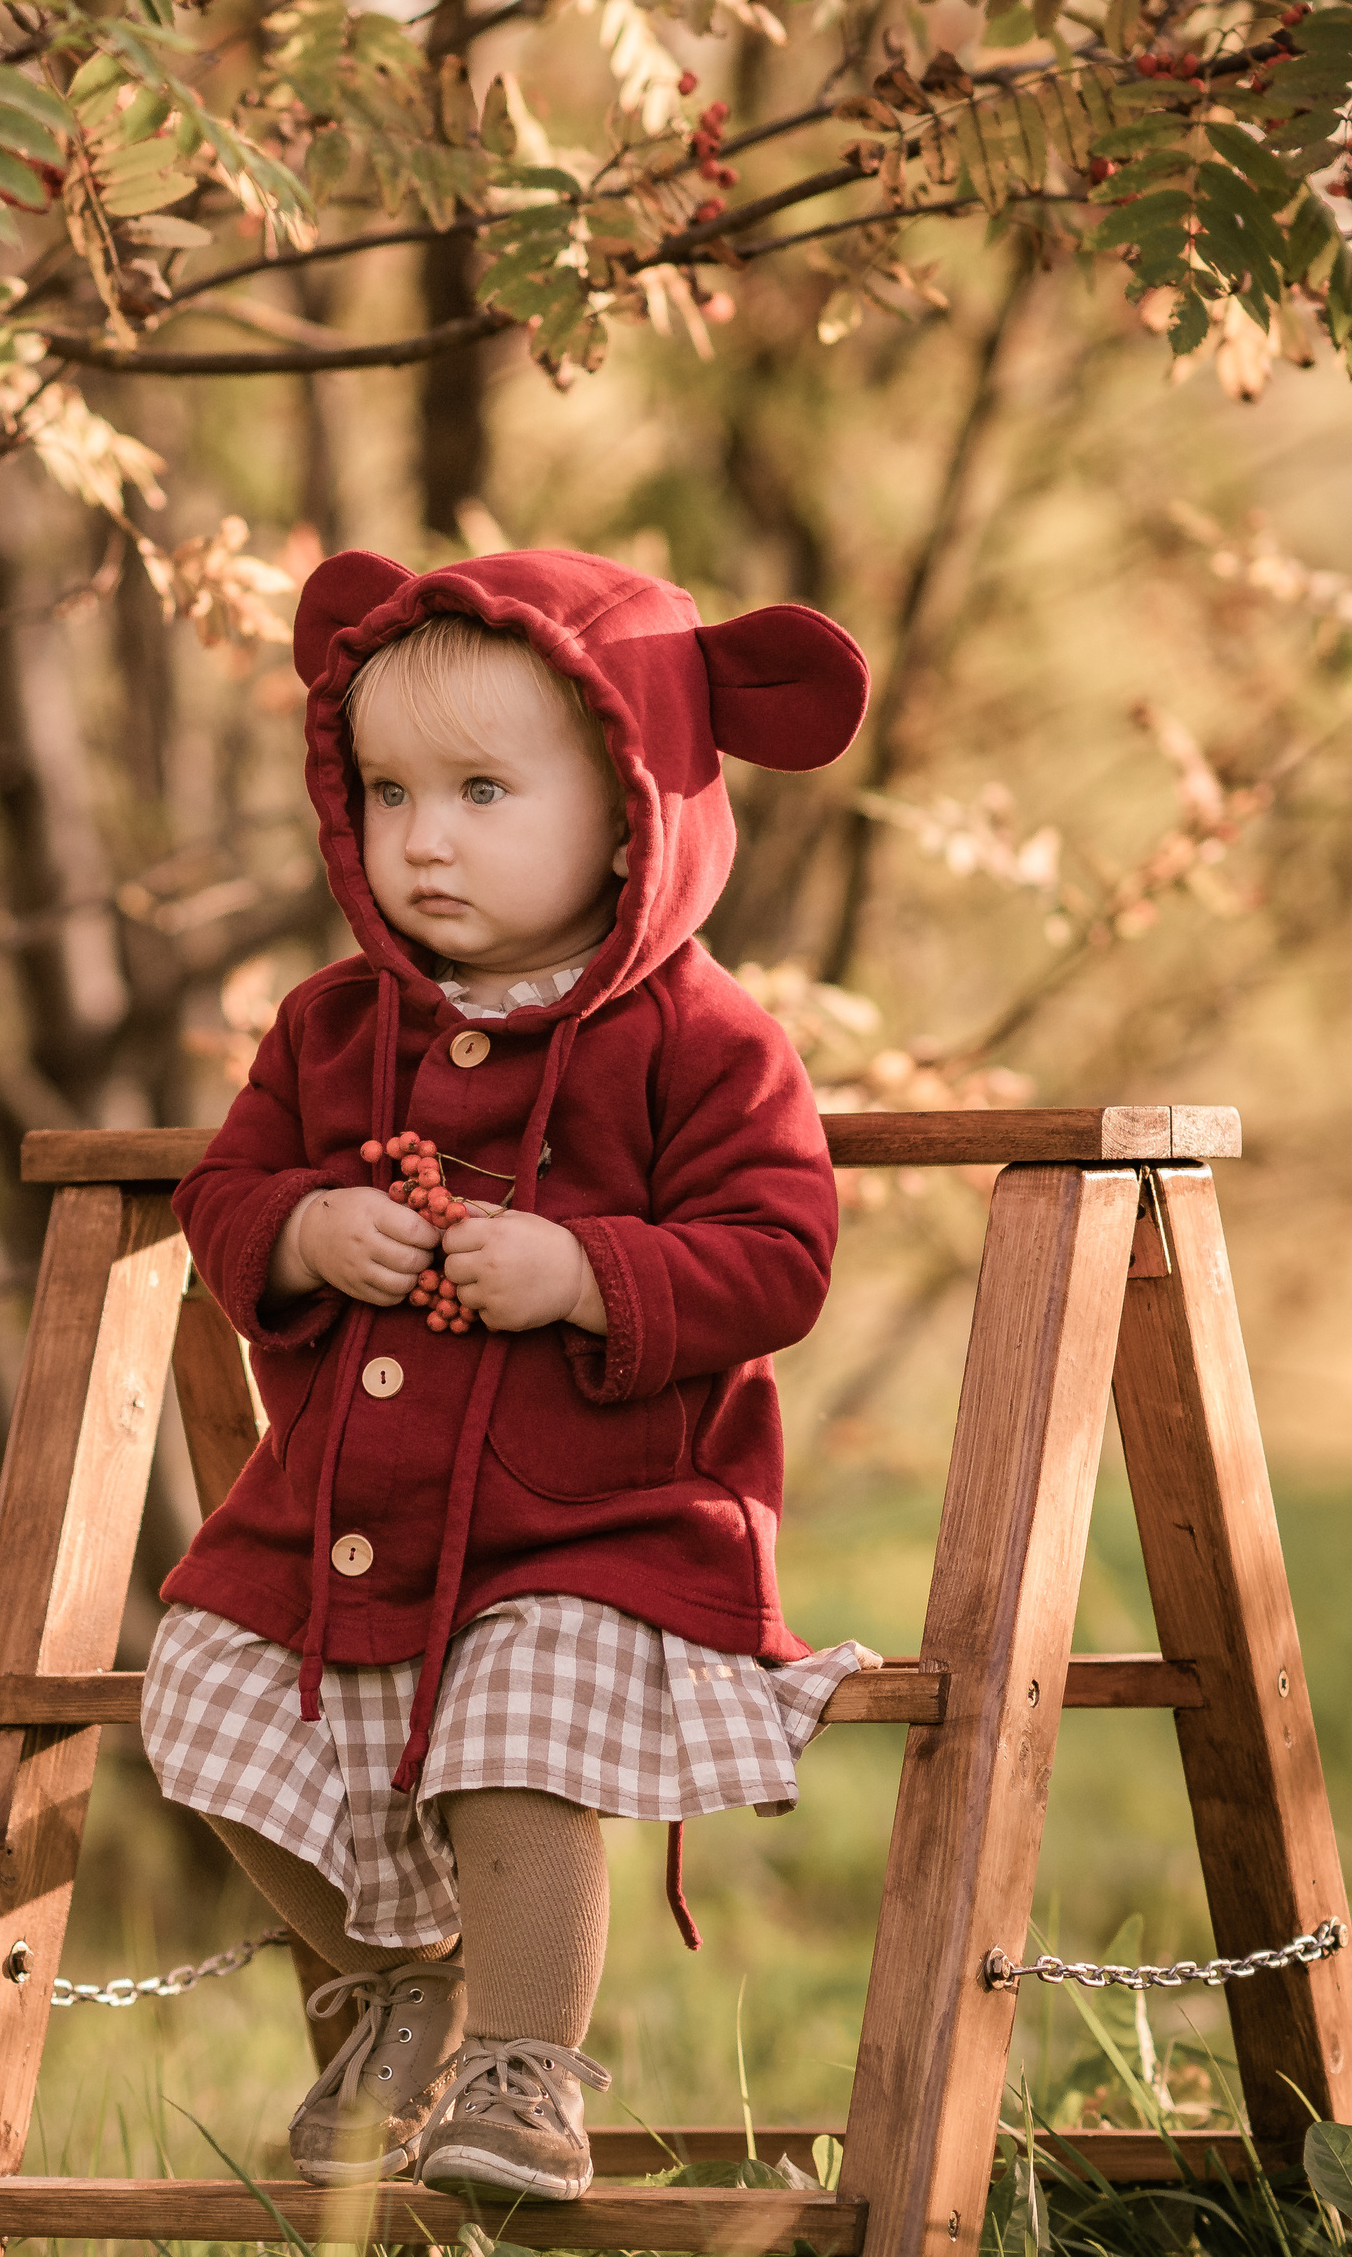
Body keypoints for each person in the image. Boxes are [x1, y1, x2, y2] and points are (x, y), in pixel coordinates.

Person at [143, 545, 880, 2202]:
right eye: (389, 792)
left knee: (518, 1724)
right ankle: (398, 1981)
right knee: (196, 1681)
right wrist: (303, 1229)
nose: (424, 838)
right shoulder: (333, 1028)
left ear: (632, 810)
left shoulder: (702, 1040)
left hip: (598, 1521)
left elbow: (780, 1251)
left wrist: (588, 1271)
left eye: (482, 791)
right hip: (343, 1519)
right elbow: (225, 1189)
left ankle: (523, 2068)